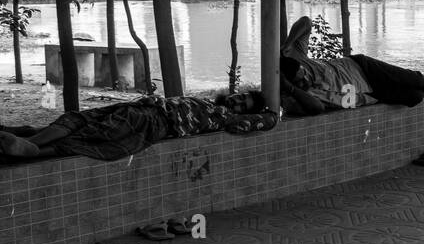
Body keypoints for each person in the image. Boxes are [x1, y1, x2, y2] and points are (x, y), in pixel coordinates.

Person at [0, 92, 276, 162]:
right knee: (81, 118)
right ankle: (31, 141)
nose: (238, 102)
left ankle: (33, 149)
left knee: (94, 136)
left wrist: (272, 115)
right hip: (142, 107)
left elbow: (266, 121)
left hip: (154, 121)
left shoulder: (227, 118)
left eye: (244, 105)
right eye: (241, 97)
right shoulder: (207, 101)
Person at [279, 15, 424, 115]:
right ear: (291, 83)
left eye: (304, 73)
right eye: (302, 81)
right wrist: (291, 89)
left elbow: (305, 22)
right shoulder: (294, 96)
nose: (306, 78)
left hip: (363, 68)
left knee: (417, 80)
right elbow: (316, 108)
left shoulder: (295, 56)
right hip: (370, 94)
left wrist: (287, 44)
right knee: (415, 97)